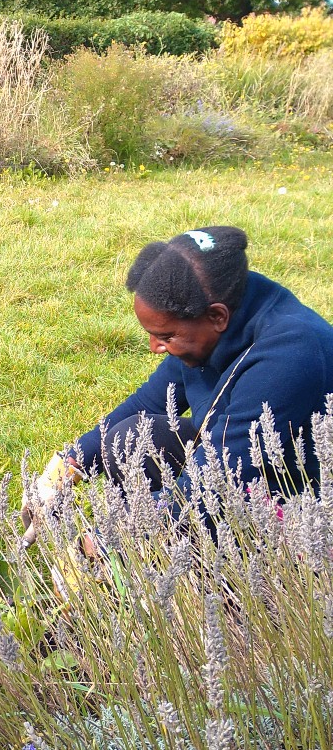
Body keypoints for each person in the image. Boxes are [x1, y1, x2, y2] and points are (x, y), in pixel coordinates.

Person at [23, 225, 333, 538]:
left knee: (177, 512)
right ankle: (164, 556)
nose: (155, 348)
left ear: (217, 317)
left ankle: (199, 573)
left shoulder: (290, 354)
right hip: (245, 473)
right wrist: (64, 469)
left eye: (166, 336)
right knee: (132, 438)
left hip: (303, 512)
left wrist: (110, 536)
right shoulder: (216, 309)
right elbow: (149, 402)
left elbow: (215, 477)